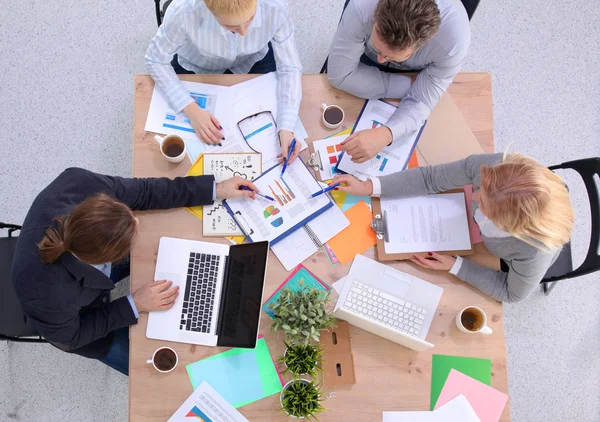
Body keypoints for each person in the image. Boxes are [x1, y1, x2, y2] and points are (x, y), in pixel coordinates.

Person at [11, 167, 258, 375]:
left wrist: (215, 189)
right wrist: (133, 304)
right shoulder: (46, 294)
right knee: (167, 369)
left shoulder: (77, 184)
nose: (136, 221)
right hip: (79, 325)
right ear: (104, 259)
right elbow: (72, 336)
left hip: (83, 275)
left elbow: (143, 191)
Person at [331, 153, 574, 303]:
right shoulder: (498, 168)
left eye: (484, 202)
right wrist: (369, 187)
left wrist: (456, 266)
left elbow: (512, 293)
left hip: (501, 255)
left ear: (508, 226)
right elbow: (431, 178)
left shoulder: (533, 251)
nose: (474, 195)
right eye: (481, 189)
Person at [145, 0, 302, 163]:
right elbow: (155, 60)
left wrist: (286, 127)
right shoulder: (183, 11)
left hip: (252, 58)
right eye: (230, 27)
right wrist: (191, 109)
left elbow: (290, 67)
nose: (243, 33)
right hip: (197, 63)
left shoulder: (275, 6)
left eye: (250, 19)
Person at [327, 0, 470, 163]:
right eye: (378, 49)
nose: (380, 60)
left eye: (388, 56)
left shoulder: (453, 42)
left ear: (420, 44)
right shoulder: (362, 7)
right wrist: (410, 86)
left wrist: (386, 134)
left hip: (414, 71)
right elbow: (340, 75)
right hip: (395, 71)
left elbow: (422, 103)